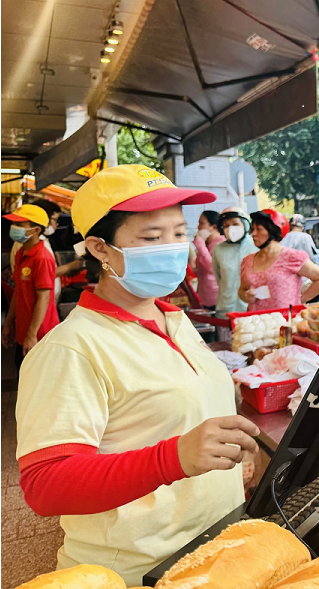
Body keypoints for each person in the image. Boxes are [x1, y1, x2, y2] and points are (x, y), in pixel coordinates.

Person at [14, 164, 261, 586]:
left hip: (213, 552)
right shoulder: (71, 349)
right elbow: (45, 484)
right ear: (100, 248)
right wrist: (173, 457)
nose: (173, 247)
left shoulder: (176, 321)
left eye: (179, 233)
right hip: (135, 570)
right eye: (151, 238)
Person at [2, 204, 61, 363]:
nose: (14, 228)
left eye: (20, 225)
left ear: (36, 230)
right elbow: (18, 291)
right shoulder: (21, 252)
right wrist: (8, 323)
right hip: (25, 327)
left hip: (40, 332)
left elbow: (44, 298)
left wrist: (32, 334)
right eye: (14, 224)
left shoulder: (42, 257)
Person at [239, 209, 319, 311]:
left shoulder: (292, 257)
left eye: (259, 229)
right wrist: (245, 296)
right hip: (256, 322)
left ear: (273, 231)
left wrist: (299, 300)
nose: (253, 234)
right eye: (252, 229)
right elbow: (242, 290)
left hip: (285, 322)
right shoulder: (247, 261)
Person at [211, 207, 257, 319]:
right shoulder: (218, 249)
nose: (231, 228)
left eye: (235, 224)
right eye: (226, 225)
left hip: (252, 309)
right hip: (225, 309)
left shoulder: (256, 246)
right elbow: (219, 278)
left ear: (245, 225)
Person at [190, 210, 225, 310]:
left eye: (202, 223)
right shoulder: (207, 245)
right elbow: (199, 270)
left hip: (216, 298)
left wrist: (200, 244)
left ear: (213, 227)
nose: (198, 227)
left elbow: (212, 268)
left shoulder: (221, 244)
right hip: (205, 298)